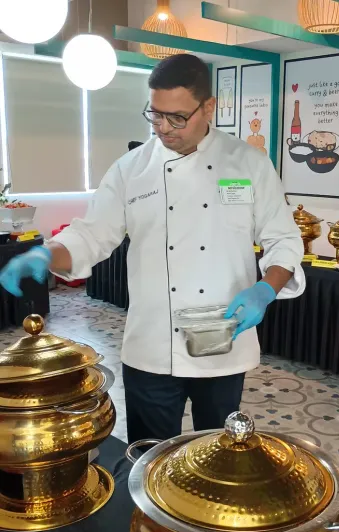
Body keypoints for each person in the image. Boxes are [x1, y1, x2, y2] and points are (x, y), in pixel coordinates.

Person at [0, 54, 305, 444]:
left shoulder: (249, 164)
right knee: (147, 456)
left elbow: (283, 239)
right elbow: (92, 234)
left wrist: (265, 288)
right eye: (155, 115)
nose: (163, 127)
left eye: (177, 117)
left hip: (222, 340)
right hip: (152, 344)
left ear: (208, 107)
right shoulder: (131, 169)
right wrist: (48, 253)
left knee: (218, 454)